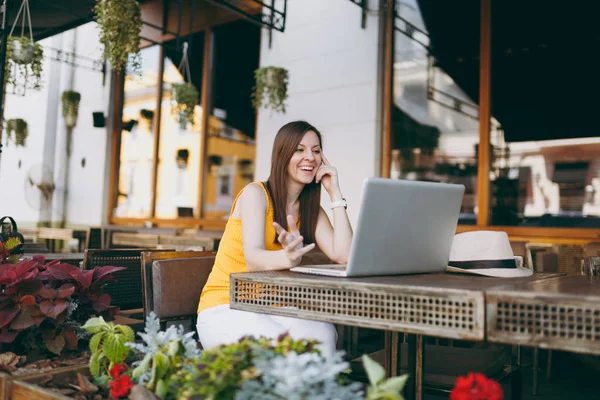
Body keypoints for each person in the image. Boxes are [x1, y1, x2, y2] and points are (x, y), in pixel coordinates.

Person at [196, 120, 353, 358]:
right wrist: (286, 257)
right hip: (224, 306)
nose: (310, 157)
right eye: (299, 150)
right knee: (282, 352)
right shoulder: (255, 194)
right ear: (283, 155)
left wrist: (336, 193)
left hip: (271, 307)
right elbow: (254, 258)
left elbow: (344, 254)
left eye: (316, 150)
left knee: (324, 335)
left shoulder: (310, 209)